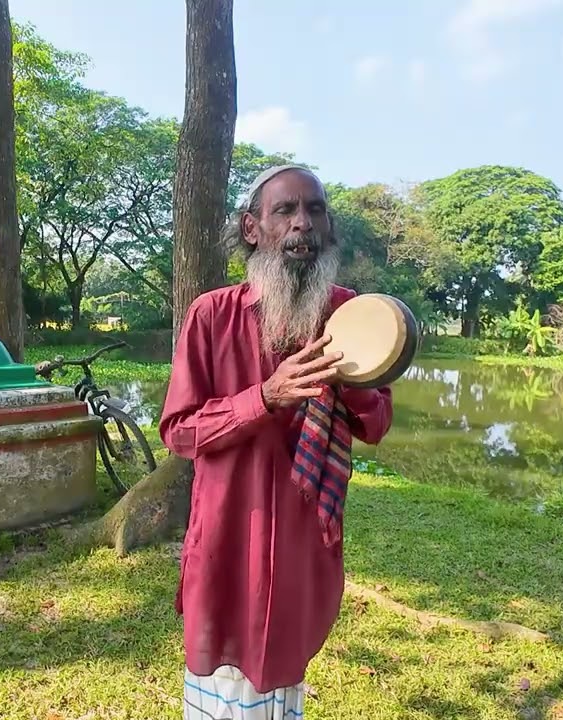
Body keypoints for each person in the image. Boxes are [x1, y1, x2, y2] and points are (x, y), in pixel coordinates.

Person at [159, 164, 394, 719]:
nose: (302, 224)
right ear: (252, 228)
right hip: (226, 538)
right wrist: (264, 397)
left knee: (284, 681)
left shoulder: (348, 313)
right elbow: (179, 429)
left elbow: (377, 424)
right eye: (285, 210)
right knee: (221, 680)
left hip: (302, 543)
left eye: (314, 210)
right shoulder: (211, 316)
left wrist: (346, 376)